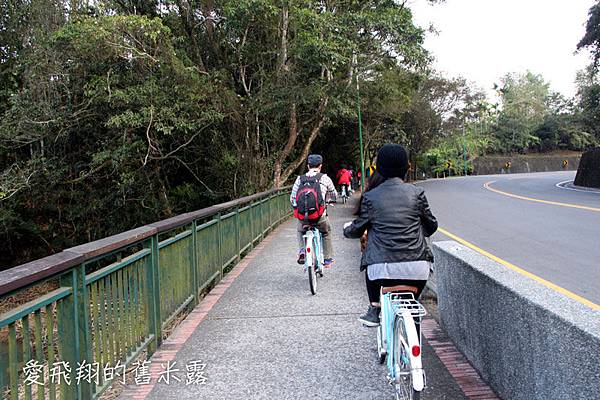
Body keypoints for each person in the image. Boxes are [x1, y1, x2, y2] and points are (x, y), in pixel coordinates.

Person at [343, 144, 438, 326]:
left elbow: (357, 229)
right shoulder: (417, 193)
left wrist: (347, 230)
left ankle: (374, 308)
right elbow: (431, 226)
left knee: (369, 260)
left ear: (378, 168)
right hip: (417, 268)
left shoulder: (371, 197)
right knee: (413, 302)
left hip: (382, 270)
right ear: (407, 167)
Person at [290, 154, 338, 266]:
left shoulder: (299, 179)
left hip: (304, 219)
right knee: (326, 232)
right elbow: (334, 195)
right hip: (319, 217)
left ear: (308, 166)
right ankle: (327, 259)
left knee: (300, 230)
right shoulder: (325, 178)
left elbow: (292, 198)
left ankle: (302, 250)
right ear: (320, 166)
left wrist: (298, 210)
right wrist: (329, 200)